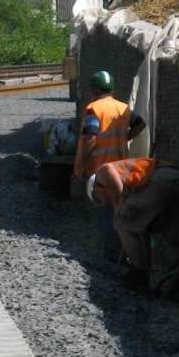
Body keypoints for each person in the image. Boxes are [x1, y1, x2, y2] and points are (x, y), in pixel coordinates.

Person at [88, 157, 179, 293]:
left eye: (99, 199)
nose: (103, 202)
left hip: (161, 178)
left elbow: (121, 206)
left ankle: (138, 275)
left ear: (96, 188)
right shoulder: (130, 184)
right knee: (171, 236)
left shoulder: (103, 172)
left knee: (122, 222)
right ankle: (177, 285)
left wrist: (122, 227)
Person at [73, 70, 146, 259]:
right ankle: (124, 249)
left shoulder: (93, 109)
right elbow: (140, 124)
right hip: (122, 167)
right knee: (119, 205)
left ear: (94, 90)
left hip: (101, 169)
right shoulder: (123, 108)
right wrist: (124, 138)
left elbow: (90, 138)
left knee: (106, 209)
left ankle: (111, 251)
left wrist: (79, 166)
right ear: (111, 89)